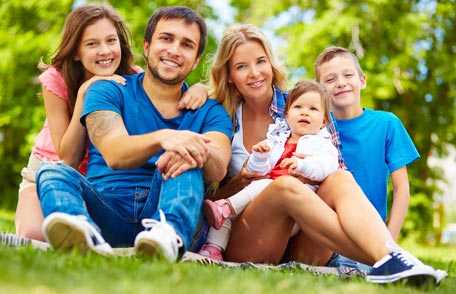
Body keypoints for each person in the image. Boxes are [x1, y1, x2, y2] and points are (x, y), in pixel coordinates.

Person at [208, 23, 445, 284]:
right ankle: (388, 259)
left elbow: (334, 169)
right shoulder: (222, 116)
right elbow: (210, 198)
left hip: (304, 244)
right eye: (241, 66)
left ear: (271, 64)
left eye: (261, 61)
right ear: (229, 74)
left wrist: (306, 171)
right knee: (285, 186)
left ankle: (391, 257)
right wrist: (244, 178)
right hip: (251, 238)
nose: (255, 73)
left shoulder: (305, 105)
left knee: (340, 177)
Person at [35, 6, 232, 262]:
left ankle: (167, 236)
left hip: (170, 207)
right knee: (52, 172)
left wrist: (196, 150)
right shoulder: (108, 89)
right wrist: (164, 137)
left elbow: (218, 167)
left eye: (186, 44)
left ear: (195, 60)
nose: (174, 50)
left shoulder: (211, 110)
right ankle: (82, 233)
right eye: (166, 38)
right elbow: (115, 152)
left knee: (188, 157)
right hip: (107, 210)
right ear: (147, 46)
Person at [199, 80, 339, 261]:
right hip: (264, 198)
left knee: (252, 192)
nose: (305, 112)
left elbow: (326, 168)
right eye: (298, 107)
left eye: (313, 109)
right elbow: (258, 171)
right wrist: (259, 156)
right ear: (287, 115)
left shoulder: (323, 145)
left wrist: (303, 165)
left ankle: (226, 206)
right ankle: (213, 248)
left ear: (324, 121)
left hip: (296, 210)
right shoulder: (277, 140)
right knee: (227, 216)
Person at [314, 46, 419, 241]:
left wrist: (389, 243)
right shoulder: (316, 129)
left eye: (348, 75)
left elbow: (402, 188)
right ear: (319, 90)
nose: (340, 83)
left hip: (371, 234)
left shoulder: (387, 123)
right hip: (327, 235)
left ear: (362, 81)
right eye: (330, 79)